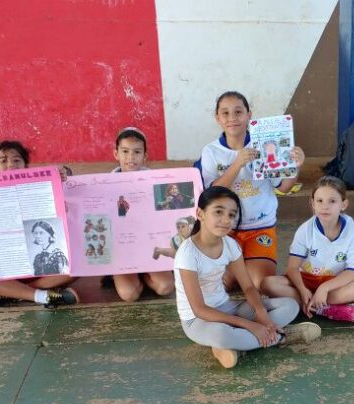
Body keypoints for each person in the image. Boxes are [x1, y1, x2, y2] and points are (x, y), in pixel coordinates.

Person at [175, 186, 321, 369]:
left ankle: (236, 347)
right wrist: (250, 325)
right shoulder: (187, 253)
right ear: (200, 213)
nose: (225, 220)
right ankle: (281, 337)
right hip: (198, 320)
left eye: (231, 215)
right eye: (218, 212)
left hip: (227, 308)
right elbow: (199, 309)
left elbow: (249, 287)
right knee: (222, 334)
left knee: (289, 306)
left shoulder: (229, 245)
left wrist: (262, 316)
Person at [199, 91, 305, 289]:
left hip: (260, 227)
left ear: (249, 115)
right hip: (225, 230)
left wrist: (295, 167)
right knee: (224, 283)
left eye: (238, 112)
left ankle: (247, 266)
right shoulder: (211, 152)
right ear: (217, 118)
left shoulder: (265, 144)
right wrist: (238, 163)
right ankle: (237, 267)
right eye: (225, 113)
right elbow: (210, 194)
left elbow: (284, 186)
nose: (232, 118)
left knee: (259, 284)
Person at [0, 141, 78, 308]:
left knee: (81, 260)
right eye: (3, 161)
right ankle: (40, 295)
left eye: (17, 160)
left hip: (41, 269)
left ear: (26, 166)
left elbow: (61, 220)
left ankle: (10, 294)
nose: (11, 164)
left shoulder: (42, 189)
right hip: (4, 269)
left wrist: (60, 178)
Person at [261, 176, 354, 323]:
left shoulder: (350, 228)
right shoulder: (305, 230)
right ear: (312, 204)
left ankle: (311, 305)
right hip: (306, 281)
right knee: (268, 284)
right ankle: (322, 307)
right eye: (319, 201)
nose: (325, 206)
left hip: (333, 282)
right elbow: (292, 268)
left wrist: (324, 288)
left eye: (332, 201)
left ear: (344, 204)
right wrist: (303, 291)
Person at [109, 127, 175, 302]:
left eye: (137, 152)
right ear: (116, 154)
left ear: (145, 156)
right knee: (129, 294)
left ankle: (146, 275)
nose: (131, 157)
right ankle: (125, 276)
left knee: (166, 286)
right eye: (125, 151)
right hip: (123, 250)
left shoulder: (158, 182)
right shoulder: (104, 185)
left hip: (151, 246)